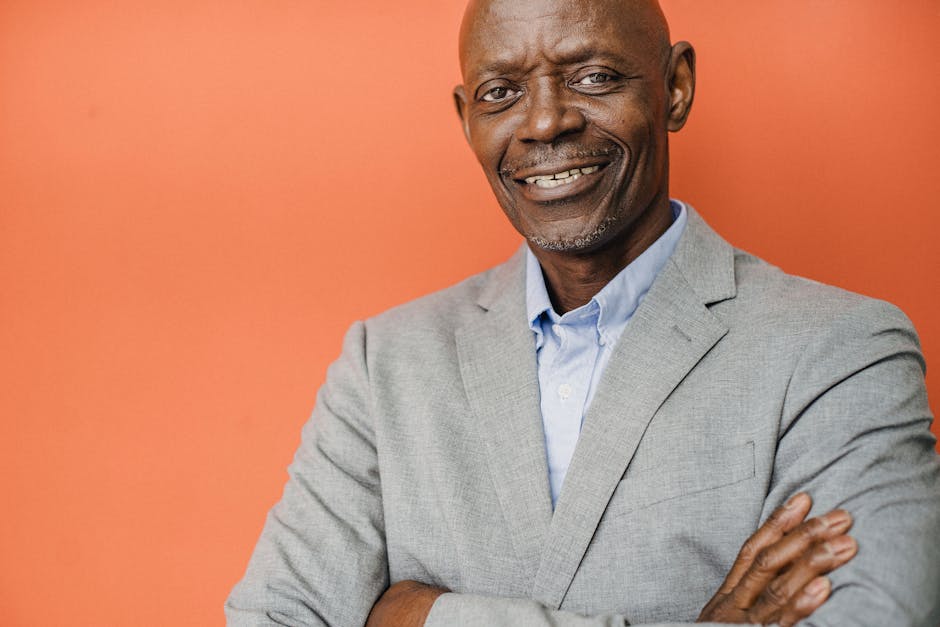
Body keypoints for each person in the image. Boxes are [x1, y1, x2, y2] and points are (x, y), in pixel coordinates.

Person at [226, 0, 940, 625]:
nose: (545, 122)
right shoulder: (385, 363)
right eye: (501, 91)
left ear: (676, 87)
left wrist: (427, 615)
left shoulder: (842, 349)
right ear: (465, 117)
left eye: (594, 76)